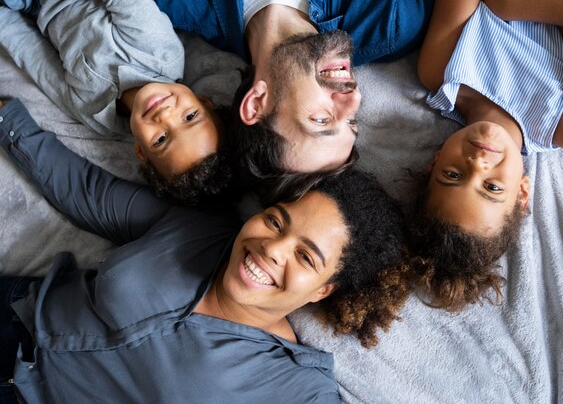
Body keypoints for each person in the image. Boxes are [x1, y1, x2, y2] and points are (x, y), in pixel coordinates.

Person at [0, 98, 411, 403]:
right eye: (275, 221)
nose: (272, 249)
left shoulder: (297, 387)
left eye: (305, 257)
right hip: (17, 311)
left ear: (323, 289)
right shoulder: (200, 226)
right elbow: (91, 194)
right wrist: (8, 119)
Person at [413, 0, 563, 311]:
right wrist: (503, 1)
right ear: (522, 193)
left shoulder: (441, 71)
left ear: (435, 160)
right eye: (492, 187)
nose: (479, 163)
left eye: (454, 174)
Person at [146, 0, 437, 202]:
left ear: (258, 103)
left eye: (322, 120)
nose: (353, 99)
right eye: (351, 122)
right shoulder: (390, 21)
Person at [0, 0, 232, 205]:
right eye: (190, 116)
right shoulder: (159, 52)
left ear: (141, 151)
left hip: (33, 5)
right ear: (202, 101)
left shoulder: (97, 115)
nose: (166, 115)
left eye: (160, 140)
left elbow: (37, 59)